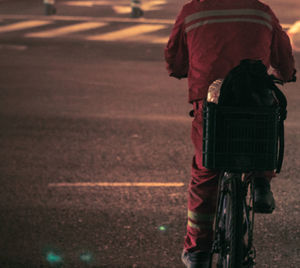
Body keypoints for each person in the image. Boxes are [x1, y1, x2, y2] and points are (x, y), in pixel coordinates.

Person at [164, 0, 296, 267]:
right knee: (262, 132)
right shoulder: (261, 11)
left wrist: (179, 70)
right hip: (254, 99)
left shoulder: (193, 11)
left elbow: (175, 57)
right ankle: (261, 183)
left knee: (205, 171)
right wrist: (287, 72)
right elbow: (283, 54)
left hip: (211, 103)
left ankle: (198, 252)